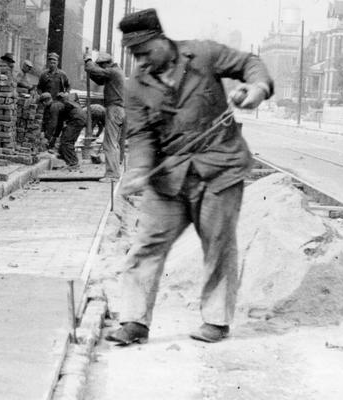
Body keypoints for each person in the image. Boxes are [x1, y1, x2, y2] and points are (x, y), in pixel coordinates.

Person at [104, 8, 274, 346]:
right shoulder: (136, 84)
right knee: (147, 244)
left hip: (219, 169)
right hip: (168, 177)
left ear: (161, 40)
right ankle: (135, 321)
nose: (142, 61)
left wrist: (257, 88)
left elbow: (249, 63)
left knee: (218, 245)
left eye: (145, 52)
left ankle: (216, 320)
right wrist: (138, 170)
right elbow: (140, 135)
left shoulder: (204, 54)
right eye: (135, 55)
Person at [83, 51, 126, 182]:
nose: (101, 69)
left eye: (101, 66)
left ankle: (112, 175)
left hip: (114, 109)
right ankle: (114, 172)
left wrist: (88, 59)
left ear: (107, 64)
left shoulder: (113, 71)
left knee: (110, 143)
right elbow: (100, 80)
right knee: (113, 143)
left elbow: (91, 68)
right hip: (118, 109)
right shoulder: (115, 72)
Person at [38, 53, 71, 151]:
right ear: (48, 62)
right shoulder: (44, 74)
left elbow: (68, 86)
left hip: (57, 103)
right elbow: (39, 88)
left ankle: (52, 143)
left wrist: (65, 93)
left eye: (54, 62)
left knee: (56, 123)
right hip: (46, 102)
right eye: (50, 62)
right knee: (45, 122)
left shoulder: (62, 74)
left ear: (57, 63)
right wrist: (41, 96)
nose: (52, 64)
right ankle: (45, 142)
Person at [54, 92, 86, 170]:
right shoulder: (71, 103)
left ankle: (73, 163)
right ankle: (66, 157)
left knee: (66, 141)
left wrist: (54, 136)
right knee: (66, 138)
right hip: (79, 120)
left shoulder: (63, 105)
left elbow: (59, 124)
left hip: (76, 120)